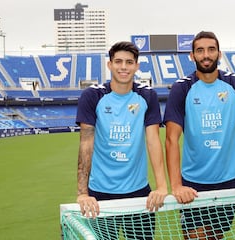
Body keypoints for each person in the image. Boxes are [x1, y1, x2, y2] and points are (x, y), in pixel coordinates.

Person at [163, 31, 235, 239]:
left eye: (211, 49)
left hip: (227, 180)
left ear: (219, 53)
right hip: (193, 181)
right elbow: (172, 139)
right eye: (200, 50)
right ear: (192, 56)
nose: (206, 55)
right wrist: (176, 185)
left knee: (215, 236)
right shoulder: (181, 88)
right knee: (195, 236)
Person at [76, 41, 168, 239]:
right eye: (118, 62)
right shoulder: (92, 95)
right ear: (109, 65)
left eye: (129, 62)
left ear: (136, 66)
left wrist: (161, 186)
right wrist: (83, 193)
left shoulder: (147, 95)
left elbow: (153, 141)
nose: (123, 67)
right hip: (100, 194)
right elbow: (86, 143)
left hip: (139, 193)